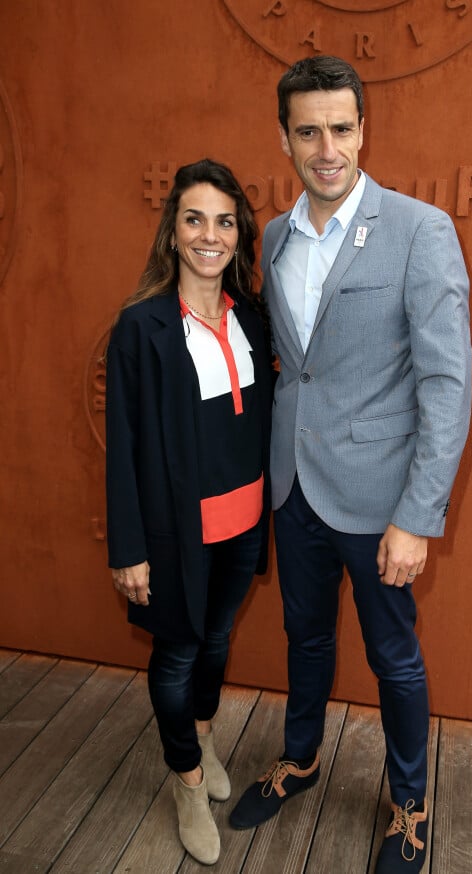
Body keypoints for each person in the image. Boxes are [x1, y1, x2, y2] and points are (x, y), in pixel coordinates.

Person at [228, 57, 472, 874]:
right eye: (308, 131)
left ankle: (410, 803)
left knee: (392, 657)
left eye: (341, 127)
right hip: (292, 490)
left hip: (379, 504)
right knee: (304, 637)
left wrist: (417, 515)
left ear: (364, 130)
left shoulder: (420, 229)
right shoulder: (272, 235)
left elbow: (446, 381)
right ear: (285, 137)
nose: (326, 147)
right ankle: (301, 759)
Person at [105, 159, 273, 866]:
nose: (210, 234)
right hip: (177, 533)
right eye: (194, 219)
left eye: (225, 221)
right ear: (173, 232)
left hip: (243, 522)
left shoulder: (254, 319)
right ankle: (188, 777)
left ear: (240, 234)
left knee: (214, 641)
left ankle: (202, 731)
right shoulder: (141, 328)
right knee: (176, 654)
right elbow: (123, 445)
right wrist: (129, 547)